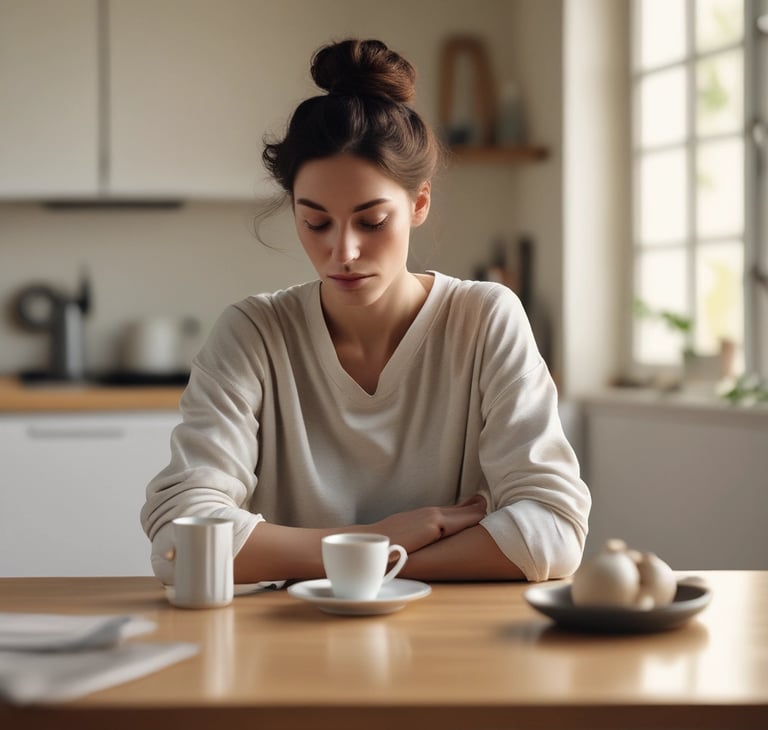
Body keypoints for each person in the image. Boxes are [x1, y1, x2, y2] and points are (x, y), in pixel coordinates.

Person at [141, 38, 590, 587]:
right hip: (292, 633)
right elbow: (179, 541)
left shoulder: (484, 318)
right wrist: (385, 538)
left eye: (372, 221)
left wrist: (368, 563)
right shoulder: (253, 333)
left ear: (418, 203)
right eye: (316, 223)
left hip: (449, 630)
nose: (344, 252)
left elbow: (554, 531)